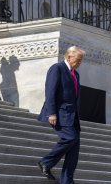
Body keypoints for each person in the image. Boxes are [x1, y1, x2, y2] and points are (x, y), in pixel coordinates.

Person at [37, 46, 85, 184]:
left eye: (81, 60)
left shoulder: (75, 74)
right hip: (59, 113)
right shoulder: (57, 68)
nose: (80, 63)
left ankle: (67, 181)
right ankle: (46, 162)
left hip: (72, 115)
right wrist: (51, 113)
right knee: (70, 137)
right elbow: (50, 91)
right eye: (78, 60)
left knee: (74, 152)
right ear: (68, 57)